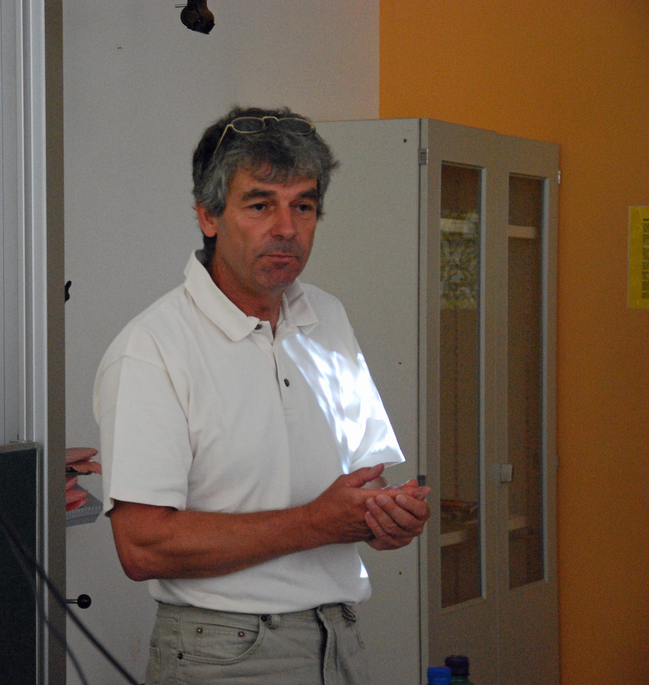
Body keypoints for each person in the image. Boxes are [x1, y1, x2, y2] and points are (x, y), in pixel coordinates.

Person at [93, 106, 431, 685]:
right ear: (207, 216)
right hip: (223, 651)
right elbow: (142, 547)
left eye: (303, 206)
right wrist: (316, 524)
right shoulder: (153, 347)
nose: (287, 228)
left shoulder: (327, 316)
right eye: (260, 205)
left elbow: (363, 483)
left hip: (339, 637)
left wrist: (387, 517)